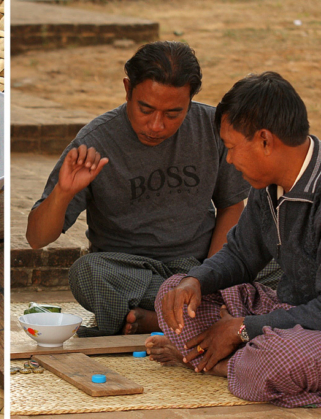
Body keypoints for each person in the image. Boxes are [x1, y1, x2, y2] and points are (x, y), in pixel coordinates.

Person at [26, 41, 270, 337]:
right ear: (128, 90)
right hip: (132, 273)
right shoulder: (95, 141)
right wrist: (63, 193)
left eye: (173, 113)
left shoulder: (213, 128)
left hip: (201, 264)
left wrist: (208, 278)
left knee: (282, 260)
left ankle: (161, 320)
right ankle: (213, 317)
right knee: (87, 272)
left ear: (191, 100)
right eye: (146, 109)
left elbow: (232, 206)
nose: (156, 125)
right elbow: (37, 238)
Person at [146, 71, 321, 407]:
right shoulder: (266, 183)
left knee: (279, 358)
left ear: (265, 141)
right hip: (288, 314)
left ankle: (224, 364)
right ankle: (241, 362)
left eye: (230, 147)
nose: (228, 159)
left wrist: (242, 328)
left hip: (307, 330)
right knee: (173, 293)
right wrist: (196, 281)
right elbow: (240, 255)